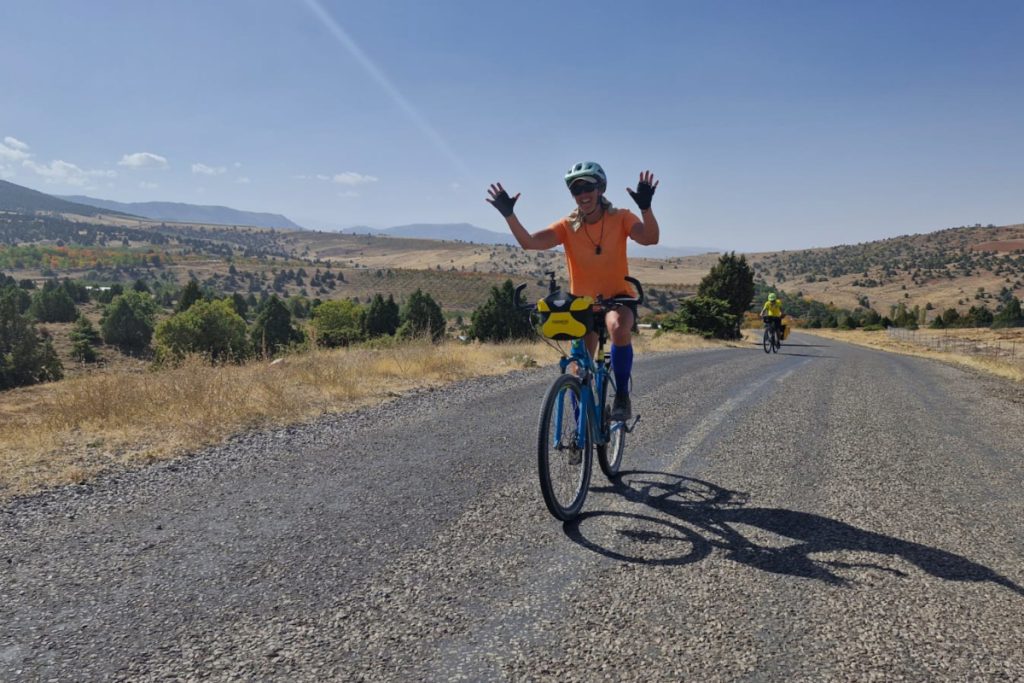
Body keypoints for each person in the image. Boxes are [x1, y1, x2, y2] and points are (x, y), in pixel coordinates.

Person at [486, 161, 659, 420]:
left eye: (587, 187)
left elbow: (650, 238)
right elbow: (529, 243)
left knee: (617, 328)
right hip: (581, 305)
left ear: (600, 188)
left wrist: (645, 208)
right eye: (576, 190)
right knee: (577, 370)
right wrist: (509, 215)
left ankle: (622, 395)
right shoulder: (567, 226)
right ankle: (582, 436)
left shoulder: (621, 217)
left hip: (617, 299)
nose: (582, 195)